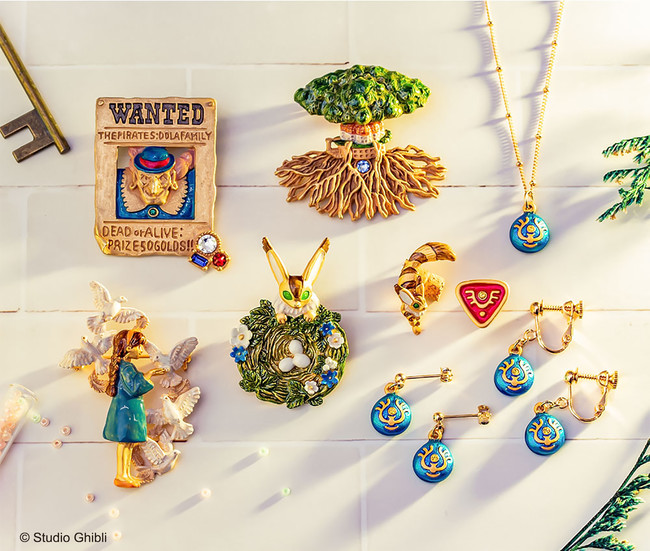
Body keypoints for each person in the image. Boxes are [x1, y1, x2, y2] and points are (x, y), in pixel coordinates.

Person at [102, 329, 164, 488]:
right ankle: (121, 475)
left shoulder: (125, 366)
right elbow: (135, 386)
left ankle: (125, 474)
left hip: (128, 410)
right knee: (124, 443)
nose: (142, 350)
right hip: (126, 411)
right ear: (129, 348)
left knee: (128, 444)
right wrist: (150, 373)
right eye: (139, 346)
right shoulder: (126, 367)